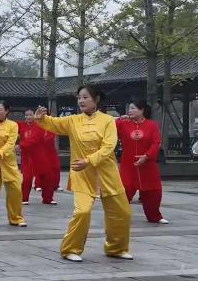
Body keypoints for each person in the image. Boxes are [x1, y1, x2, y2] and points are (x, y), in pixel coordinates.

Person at [35, 84, 133, 262]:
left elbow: (109, 146)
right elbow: (53, 123)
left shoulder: (108, 121)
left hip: (107, 173)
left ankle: (116, 248)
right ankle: (70, 249)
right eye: (79, 97)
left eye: (85, 97)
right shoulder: (72, 121)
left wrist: (89, 160)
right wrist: (41, 118)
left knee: (122, 212)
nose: (81, 100)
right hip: (82, 174)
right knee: (82, 212)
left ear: (96, 100)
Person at [117, 100, 167, 224]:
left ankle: (155, 216)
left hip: (147, 164)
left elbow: (156, 143)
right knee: (124, 189)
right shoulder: (123, 124)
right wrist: (118, 120)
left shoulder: (152, 125)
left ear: (142, 110)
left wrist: (147, 156)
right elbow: (109, 130)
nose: (130, 111)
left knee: (153, 191)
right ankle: (119, 215)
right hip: (129, 164)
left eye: (133, 108)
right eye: (129, 108)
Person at [18, 109, 57, 205]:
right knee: (27, 178)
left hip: (40, 155)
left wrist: (21, 145)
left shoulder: (41, 126)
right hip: (27, 156)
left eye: (30, 115)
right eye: (26, 115)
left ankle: (48, 198)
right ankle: (23, 198)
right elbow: (10, 130)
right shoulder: (20, 125)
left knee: (47, 177)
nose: (28, 117)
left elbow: (36, 139)